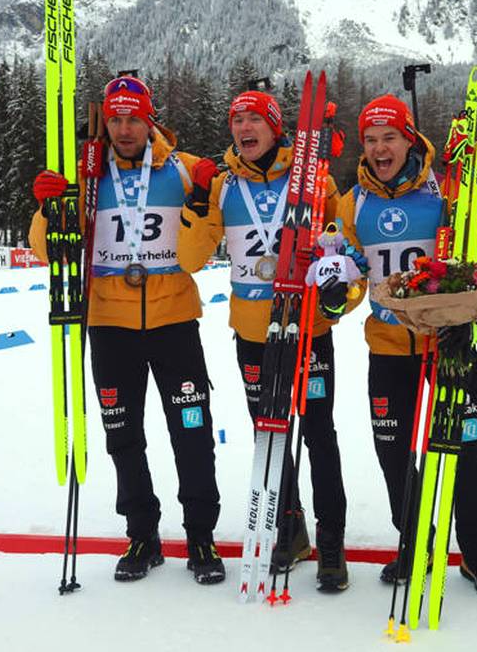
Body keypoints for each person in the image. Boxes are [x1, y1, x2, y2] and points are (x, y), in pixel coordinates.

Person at [28, 75, 225, 585]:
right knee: (122, 435)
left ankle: (200, 534)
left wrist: (205, 191)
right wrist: (50, 208)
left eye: (133, 117)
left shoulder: (180, 171)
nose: (123, 128)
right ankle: (142, 533)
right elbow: (48, 251)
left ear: (149, 119)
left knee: (192, 432)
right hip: (110, 323)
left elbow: (202, 248)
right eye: (115, 118)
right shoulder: (86, 173)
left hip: (174, 320)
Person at [335, 94, 477, 597]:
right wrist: (336, 298)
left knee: (469, 449)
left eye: (389, 137)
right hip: (388, 347)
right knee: (393, 453)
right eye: (370, 140)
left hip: (448, 345)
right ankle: (416, 543)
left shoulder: (447, 193)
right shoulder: (352, 204)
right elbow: (350, 276)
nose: (379, 149)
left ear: (409, 138)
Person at [177, 90, 351, 593]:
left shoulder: (313, 178)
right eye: (236, 119)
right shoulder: (225, 186)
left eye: (255, 118)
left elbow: (340, 246)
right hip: (253, 332)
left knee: (319, 433)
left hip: (307, 328)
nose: (244, 127)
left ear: (276, 128)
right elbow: (190, 257)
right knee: (270, 438)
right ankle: (289, 528)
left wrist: (338, 285)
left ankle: (331, 540)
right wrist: (194, 201)